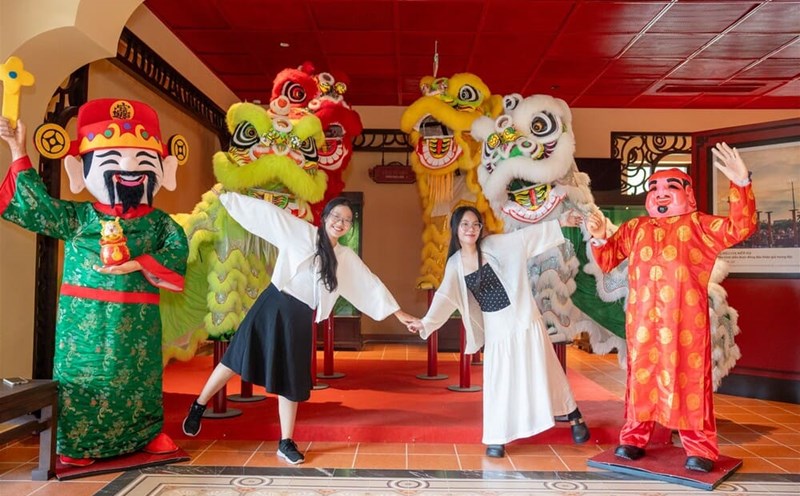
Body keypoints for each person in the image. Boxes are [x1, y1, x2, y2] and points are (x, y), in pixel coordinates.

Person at [0, 99, 188, 467]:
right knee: (83, 377)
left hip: (139, 322)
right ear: (79, 169)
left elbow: (177, 251)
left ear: (164, 170)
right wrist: (17, 148)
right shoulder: (78, 217)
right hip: (82, 323)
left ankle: (146, 434)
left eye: (141, 158)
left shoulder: (160, 223)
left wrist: (136, 263)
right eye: (113, 157)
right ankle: (78, 444)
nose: (129, 168)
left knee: (141, 378)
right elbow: (33, 205)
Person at [182, 191, 416, 465]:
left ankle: (286, 441)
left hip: (300, 317)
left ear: (350, 227)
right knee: (236, 358)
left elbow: (369, 285)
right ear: (325, 217)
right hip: (273, 305)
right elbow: (268, 215)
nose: (340, 223)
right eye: (336, 216)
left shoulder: (344, 257)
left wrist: (398, 313)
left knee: (290, 377)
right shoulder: (299, 232)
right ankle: (198, 405)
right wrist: (229, 198)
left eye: (347, 220)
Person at [586, 142, 757, 473]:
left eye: (670, 186)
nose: (660, 193)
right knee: (641, 381)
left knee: (689, 380)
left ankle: (700, 447)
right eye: (654, 187)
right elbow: (607, 260)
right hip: (641, 326)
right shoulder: (635, 229)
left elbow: (740, 227)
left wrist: (742, 183)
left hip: (685, 327)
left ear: (688, 195)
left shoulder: (699, 226)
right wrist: (596, 237)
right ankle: (634, 439)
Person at [407, 206, 590, 457]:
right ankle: (497, 437)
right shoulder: (456, 264)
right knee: (498, 382)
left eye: (475, 224)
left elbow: (527, 238)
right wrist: (425, 323)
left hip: (524, 319)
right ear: (455, 229)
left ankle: (573, 416)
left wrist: (560, 221)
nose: (471, 229)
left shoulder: (496, 245)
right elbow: (444, 297)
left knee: (545, 371)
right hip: (497, 328)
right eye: (465, 225)